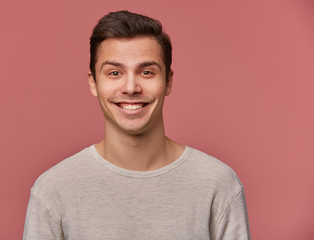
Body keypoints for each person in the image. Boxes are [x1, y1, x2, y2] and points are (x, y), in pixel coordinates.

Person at [23, 10, 251, 240]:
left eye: (146, 72)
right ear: (93, 83)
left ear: (168, 81)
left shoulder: (218, 184)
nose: (131, 87)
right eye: (114, 73)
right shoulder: (53, 190)